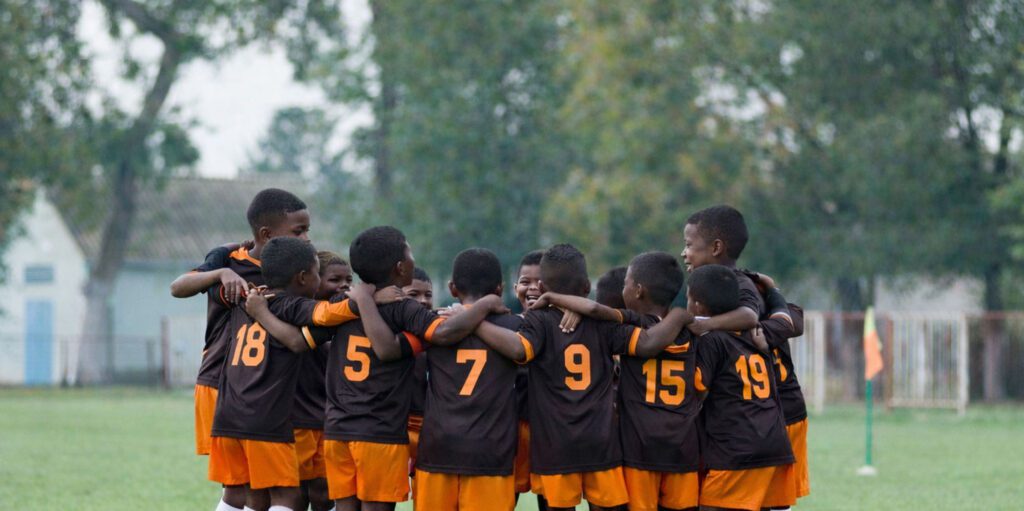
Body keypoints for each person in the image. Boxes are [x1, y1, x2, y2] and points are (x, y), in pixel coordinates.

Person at [472, 243, 694, 511]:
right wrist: (681, 315)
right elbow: (646, 343)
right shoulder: (604, 324)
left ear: (542, 288)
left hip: (555, 445)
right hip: (601, 443)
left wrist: (474, 321)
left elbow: (519, 349)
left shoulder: (538, 321)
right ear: (587, 288)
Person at [323, 226, 507, 511]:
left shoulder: (341, 304)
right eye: (409, 253)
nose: (412, 258)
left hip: (336, 430)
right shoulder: (404, 309)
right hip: (379, 432)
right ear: (400, 267)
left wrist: (362, 298)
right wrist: (484, 305)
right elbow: (443, 333)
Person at [207, 237, 395, 511]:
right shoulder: (292, 306)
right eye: (320, 274)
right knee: (286, 497)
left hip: (228, 414)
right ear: (304, 277)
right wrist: (371, 297)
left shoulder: (247, 299)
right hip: (265, 417)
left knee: (243, 494)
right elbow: (320, 319)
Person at [168, 188, 311, 511]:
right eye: (298, 231)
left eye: (307, 231)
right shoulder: (229, 261)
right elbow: (177, 287)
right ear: (266, 233)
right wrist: (219, 272)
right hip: (224, 383)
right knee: (255, 489)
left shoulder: (294, 269)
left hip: (259, 387)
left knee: (253, 490)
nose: (305, 239)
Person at [533, 252, 700, 511]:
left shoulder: (629, 322)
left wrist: (559, 301)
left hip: (637, 450)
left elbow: (597, 311)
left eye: (627, 283)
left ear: (638, 291)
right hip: (683, 449)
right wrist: (680, 316)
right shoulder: (692, 333)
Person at [682, 205, 804, 508]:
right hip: (763, 418)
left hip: (770, 417)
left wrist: (704, 325)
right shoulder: (734, 287)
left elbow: (755, 316)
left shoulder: (739, 285)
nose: (683, 253)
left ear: (716, 247)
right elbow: (793, 321)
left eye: (688, 245)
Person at [413, 248, 523, 511]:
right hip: (490, 450)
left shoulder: (434, 325)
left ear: (452, 288)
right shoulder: (515, 327)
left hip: (438, 447)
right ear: (500, 289)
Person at [291, 250, 352, 511]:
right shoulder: (301, 313)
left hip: (330, 420)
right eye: (334, 279)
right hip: (298, 418)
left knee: (324, 493)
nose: (343, 286)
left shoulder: (351, 319)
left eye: (348, 280)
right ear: (314, 282)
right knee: (294, 493)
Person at [403, 267, 434, 481]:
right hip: (395, 424)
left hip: (428, 426)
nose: (423, 301)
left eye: (428, 295)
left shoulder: (440, 329)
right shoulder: (384, 328)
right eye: (414, 295)